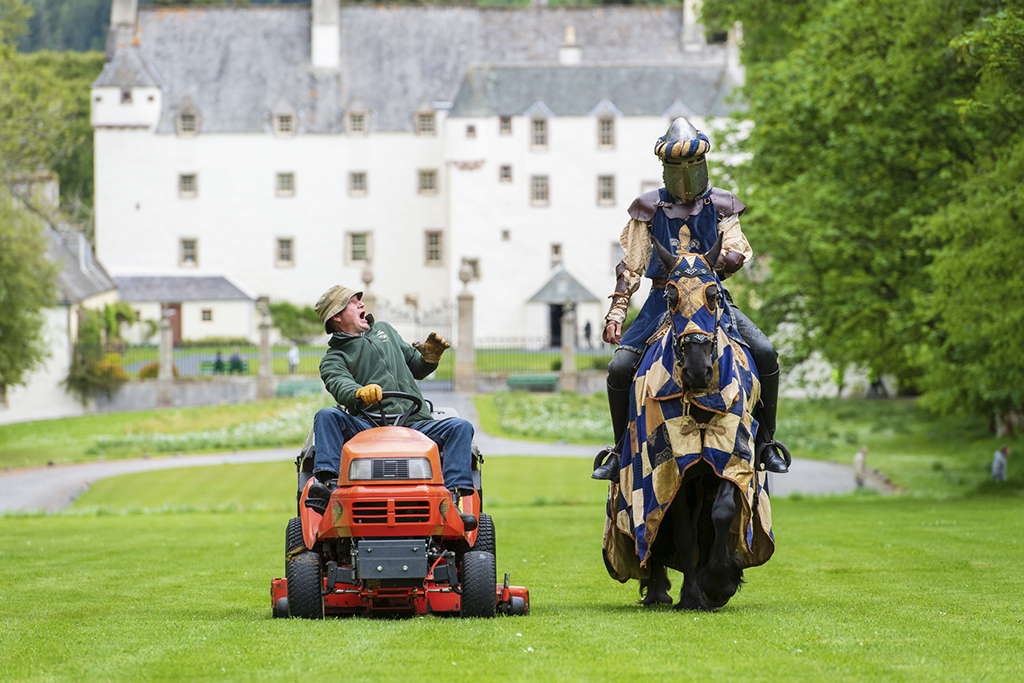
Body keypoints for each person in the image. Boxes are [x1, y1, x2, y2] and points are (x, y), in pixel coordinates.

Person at [593, 117, 789, 480]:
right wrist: (616, 312)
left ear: (702, 163)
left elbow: (736, 248)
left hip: (709, 296)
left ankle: (766, 443)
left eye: (691, 165)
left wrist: (721, 262)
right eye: (676, 166)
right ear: (665, 168)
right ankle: (620, 449)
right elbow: (632, 264)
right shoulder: (648, 208)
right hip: (661, 300)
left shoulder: (721, 204)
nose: (685, 174)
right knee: (620, 368)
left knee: (763, 351)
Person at [304, 285, 476, 528]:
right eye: (353, 302)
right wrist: (359, 393)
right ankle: (328, 488)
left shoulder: (385, 330)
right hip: (367, 427)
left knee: (461, 427)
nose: (362, 304)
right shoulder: (334, 358)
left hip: (415, 423)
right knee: (326, 415)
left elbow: (416, 367)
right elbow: (340, 385)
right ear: (337, 317)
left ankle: (452, 500)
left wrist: (429, 358)